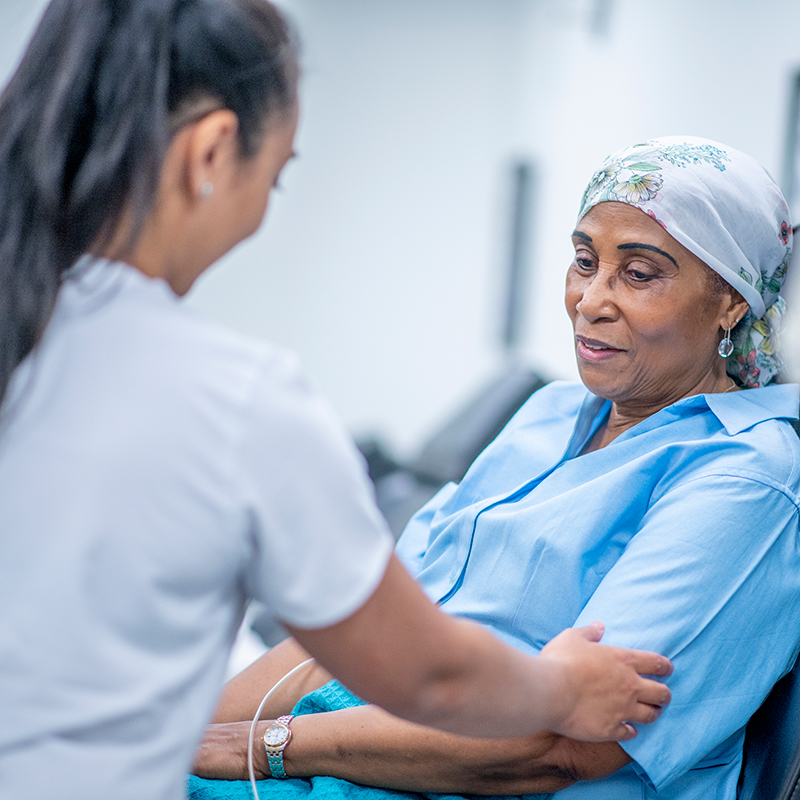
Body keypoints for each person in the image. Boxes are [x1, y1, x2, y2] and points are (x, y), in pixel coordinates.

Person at [0, 3, 676, 800]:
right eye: (276, 174)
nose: (595, 302)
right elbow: (430, 673)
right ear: (213, 151)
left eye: (638, 273)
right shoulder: (237, 402)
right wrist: (564, 687)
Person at [191, 136, 800, 800]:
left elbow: (562, 751)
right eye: (584, 261)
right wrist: (183, 736)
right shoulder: (550, 412)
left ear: (730, 302)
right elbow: (371, 630)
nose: (591, 300)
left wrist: (263, 745)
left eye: (639, 273)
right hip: (351, 745)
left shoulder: (745, 480)